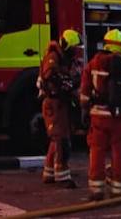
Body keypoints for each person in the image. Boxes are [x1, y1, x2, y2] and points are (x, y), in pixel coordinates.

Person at [80, 28, 121, 201]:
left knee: (97, 151)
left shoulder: (94, 63)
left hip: (99, 117)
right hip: (120, 119)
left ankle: (97, 190)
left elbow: (85, 92)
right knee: (119, 153)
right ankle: (118, 190)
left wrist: (84, 107)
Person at [39, 28, 83, 187]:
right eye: (75, 48)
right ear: (67, 46)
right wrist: (69, 84)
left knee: (56, 138)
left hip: (61, 103)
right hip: (54, 102)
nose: (76, 51)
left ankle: (49, 172)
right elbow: (51, 76)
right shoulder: (53, 58)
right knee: (61, 140)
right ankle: (62, 176)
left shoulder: (64, 59)